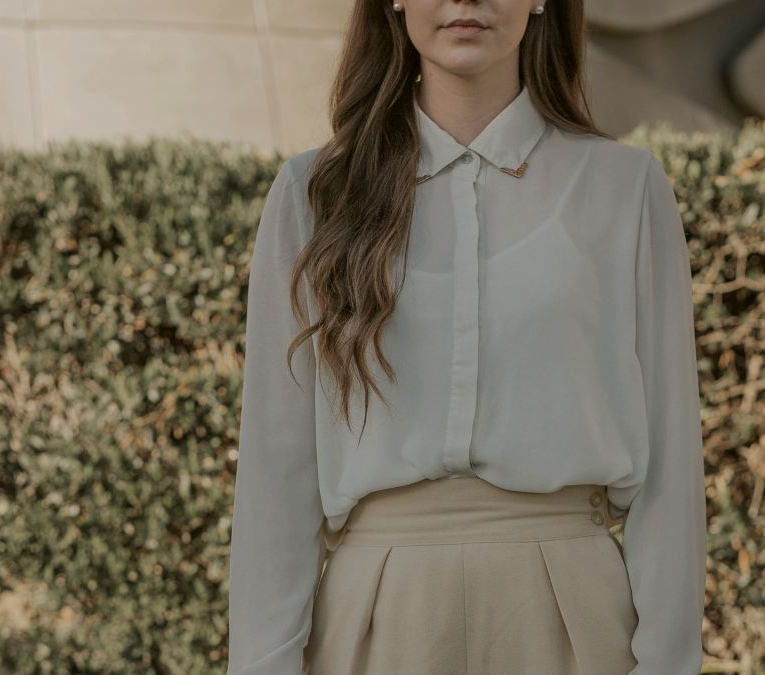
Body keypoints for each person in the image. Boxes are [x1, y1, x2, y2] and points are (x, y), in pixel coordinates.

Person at [225, 1, 707, 673]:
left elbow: (671, 468)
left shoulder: (625, 189)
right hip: (374, 617)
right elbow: (277, 475)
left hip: (575, 611)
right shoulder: (315, 193)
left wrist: (668, 663)